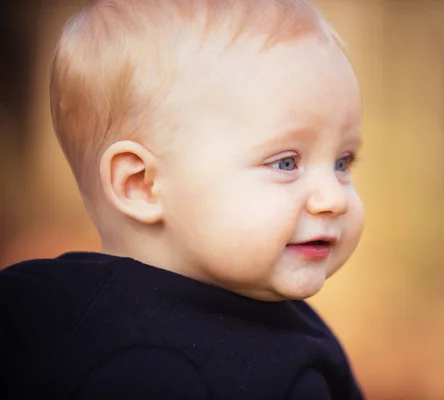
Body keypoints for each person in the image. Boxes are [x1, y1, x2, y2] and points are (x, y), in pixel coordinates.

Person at [0, 0, 365, 398]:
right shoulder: (39, 326)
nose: (334, 198)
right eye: (285, 163)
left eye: (342, 162)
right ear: (140, 184)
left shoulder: (306, 346)